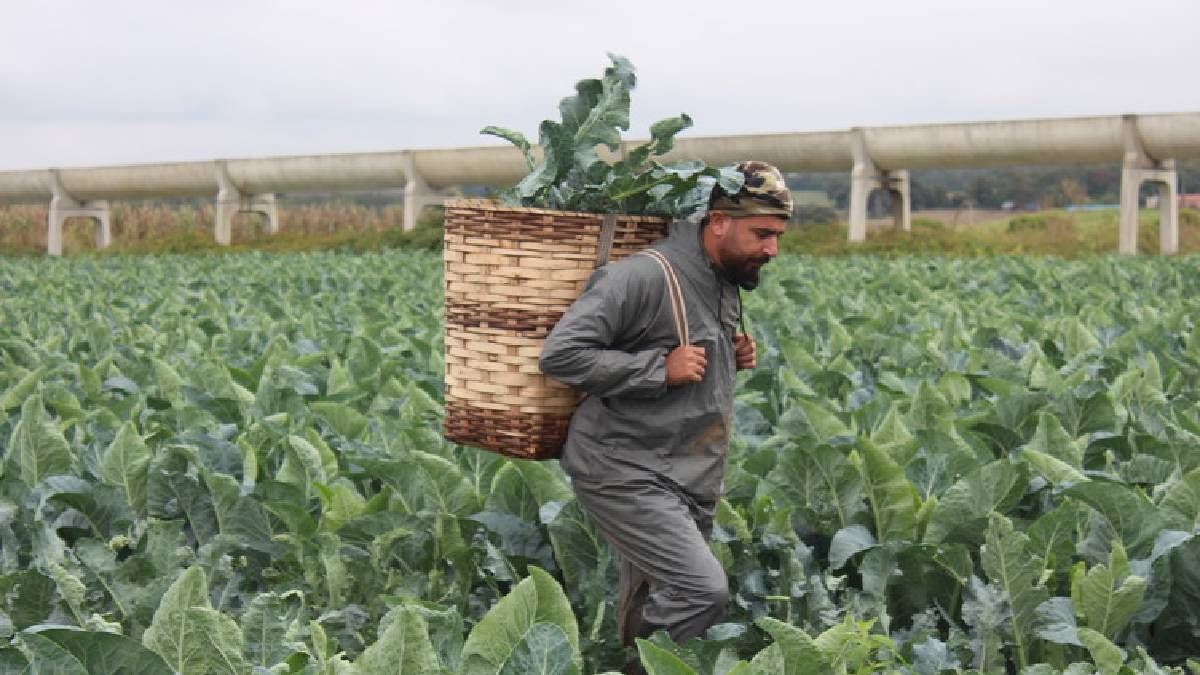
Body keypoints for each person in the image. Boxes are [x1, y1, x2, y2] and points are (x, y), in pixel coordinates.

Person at [538, 161, 792, 663]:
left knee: (654, 593)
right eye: (761, 234)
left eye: (777, 236)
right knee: (702, 589)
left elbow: (687, 358)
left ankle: (634, 662)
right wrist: (658, 367)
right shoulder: (640, 277)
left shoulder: (722, 278)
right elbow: (561, 355)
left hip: (686, 470)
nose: (771, 249)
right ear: (717, 221)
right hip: (622, 466)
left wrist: (731, 355)